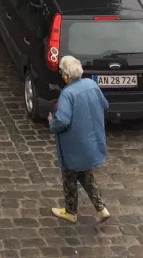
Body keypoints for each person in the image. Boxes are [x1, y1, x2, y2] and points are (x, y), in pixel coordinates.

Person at [48, 55, 111, 224]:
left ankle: (70, 211)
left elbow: (62, 120)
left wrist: (51, 123)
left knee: (69, 177)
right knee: (85, 176)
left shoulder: (67, 94)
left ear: (67, 75)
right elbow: (105, 105)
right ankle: (101, 208)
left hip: (73, 146)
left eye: (62, 72)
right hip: (91, 143)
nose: (61, 75)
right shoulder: (91, 85)